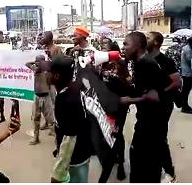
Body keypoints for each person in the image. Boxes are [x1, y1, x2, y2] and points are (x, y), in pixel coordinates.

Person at [120, 32, 168, 183]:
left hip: (151, 124)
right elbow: (139, 89)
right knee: (141, 163)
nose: (123, 47)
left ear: (138, 45)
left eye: (126, 44)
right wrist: (121, 71)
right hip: (146, 121)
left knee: (143, 164)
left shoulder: (146, 63)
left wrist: (129, 100)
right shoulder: (140, 62)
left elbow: (153, 96)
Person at [50, 55, 91, 183]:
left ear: (56, 76)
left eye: (49, 72)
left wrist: (59, 172)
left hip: (75, 158)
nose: (47, 75)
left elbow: (70, 139)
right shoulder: (73, 89)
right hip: (82, 151)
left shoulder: (66, 99)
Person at [147, 31, 182, 182]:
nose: (144, 39)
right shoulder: (143, 59)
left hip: (163, 105)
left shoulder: (165, 61)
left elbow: (177, 82)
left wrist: (160, 93)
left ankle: (169, 172)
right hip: (147, 106)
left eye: (148, 38)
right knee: (150, 136)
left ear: (156, 42)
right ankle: (154, 166)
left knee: (160, 138)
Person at [99, 40, 133, 182]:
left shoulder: (121, 64)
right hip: (105, 105)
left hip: (119, 106)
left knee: (117, 133)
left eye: (105, 48)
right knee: (107, 132)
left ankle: (120, 164)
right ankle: (111, 157)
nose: (102, 50)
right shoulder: (102, 63)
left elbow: (128, 84)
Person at [0, 31, 20, 123]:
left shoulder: (8, 48)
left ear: (2, 37)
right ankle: (2, 116)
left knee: (14, 96)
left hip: (8, 75)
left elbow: (14, 59)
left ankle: (16, 115)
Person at [26, 55, 55, 145]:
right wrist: (36, 62)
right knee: (35, 118)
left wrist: (44, 64)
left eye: (39, 62)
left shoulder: (48, 71)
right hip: (37, 97)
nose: (38, 64)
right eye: (37, 62)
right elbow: (27, 63)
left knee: (51, 119)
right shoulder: (35, 68)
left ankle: (57, 138)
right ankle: (36, 137)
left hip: (46, 97)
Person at [180, 37, 192, 114]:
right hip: (187, 72)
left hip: (186, 72)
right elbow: (190, 60)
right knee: (186, 90)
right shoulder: (188, 49)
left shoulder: (186, 48)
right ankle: (184, 106)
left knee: (186, 89)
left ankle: (184, 105)